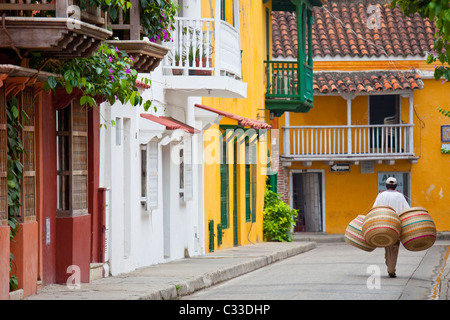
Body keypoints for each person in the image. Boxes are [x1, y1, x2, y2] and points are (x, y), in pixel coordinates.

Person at [372, 177, 410, 278]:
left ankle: (390, 267)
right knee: (394, 247)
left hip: (383, 225)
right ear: (396, 186)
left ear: (386, 185)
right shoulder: (400, 196)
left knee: (387, 247)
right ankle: (391, 269)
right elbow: (407, 210)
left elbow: (374, 209)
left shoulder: (381, 195)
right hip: (396, 225)